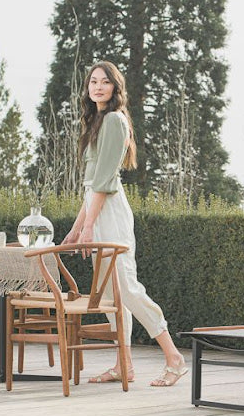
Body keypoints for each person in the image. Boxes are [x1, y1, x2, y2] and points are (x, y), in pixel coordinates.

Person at [62, 60, 188, 387]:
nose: (98, 87)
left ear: (115, 88)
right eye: (93, 82)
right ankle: (124, 365)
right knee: (108, 295)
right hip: (96, 210)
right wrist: (77, 229)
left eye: (105, 82)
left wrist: (88, 227)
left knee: (126, 288)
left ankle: (174, 357)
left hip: (111, 214)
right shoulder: (96, 123)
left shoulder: (116, 121)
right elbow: (92, 185)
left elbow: (104, 182)